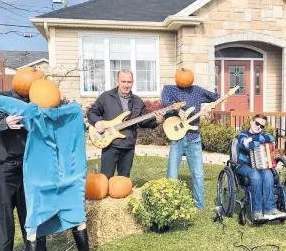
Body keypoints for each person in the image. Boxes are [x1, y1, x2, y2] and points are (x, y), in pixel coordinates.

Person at [0, 81, 94, 251]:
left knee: (33, 221)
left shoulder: (36, 115)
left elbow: (20, 109)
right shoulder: (74, 112)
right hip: (72, 175)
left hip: (42, 177)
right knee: (77, 216)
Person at [0, 88, 48, 251]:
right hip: (7, 166)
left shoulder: (38, 97)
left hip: (30, 165)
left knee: (31, 210)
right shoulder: (2, 97)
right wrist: (4, 121)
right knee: (3, 215)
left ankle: (38, 250)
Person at [87, 70, 164, 179]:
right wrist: (97, 122)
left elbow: (142, 122)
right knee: (105, 178)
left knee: (123, 180)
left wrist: (157, 121)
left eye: (129, 82)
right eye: (123, 81)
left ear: (132, 82)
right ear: (117, 81)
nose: (126, 85)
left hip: (128, 144)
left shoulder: (138, 101)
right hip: (110, 144)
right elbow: (91, 112)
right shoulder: (106, 97)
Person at [161, 69, 220, 209]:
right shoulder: (169, 90)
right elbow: (165, 104)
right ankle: (171, 204)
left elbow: (215, 97)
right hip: (177, 138)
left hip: (194, 138)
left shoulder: (197, 91)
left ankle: (199, 205)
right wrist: (177, 110)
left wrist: (210, 107)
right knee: (172, 175)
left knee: (198, 174)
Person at [236, 114, 286, 221]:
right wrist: (258, 140)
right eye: (257, 123)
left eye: (262, 126)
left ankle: (270, 209)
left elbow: (272, 138)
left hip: (261, 165)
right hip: (244, 166)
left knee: (268, 174)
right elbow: (245, 145)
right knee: (255, 175)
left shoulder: (262, 134)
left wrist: (253, 138)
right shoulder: (243, 134)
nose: (259, 127)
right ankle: (256, 211)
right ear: (251, 122)